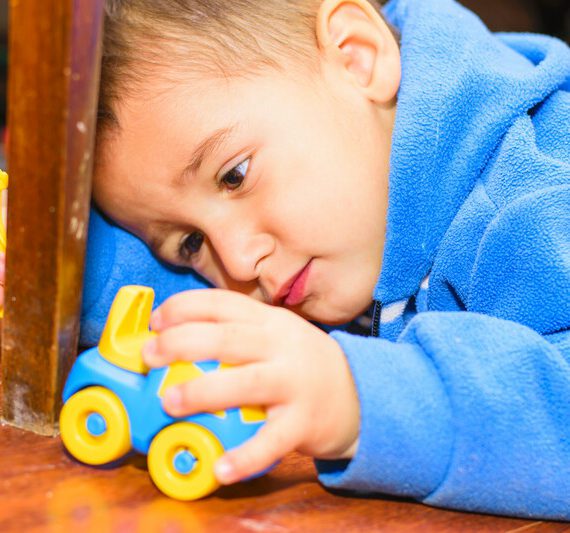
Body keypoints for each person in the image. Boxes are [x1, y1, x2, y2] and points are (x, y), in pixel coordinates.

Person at [87, 0, 570, 519]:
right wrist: (42, 266)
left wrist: (360, 400)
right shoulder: (347, 215)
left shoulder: (534, 203)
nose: (240, 261)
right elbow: (161, 295)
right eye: (189, 244)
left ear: (356, 57)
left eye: (235, 176)